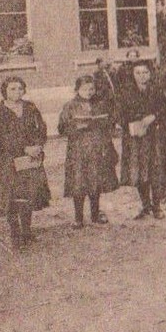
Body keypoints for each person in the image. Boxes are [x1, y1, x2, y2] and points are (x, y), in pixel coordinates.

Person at [0, 76, 47, 248]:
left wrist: (38, 145)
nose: (17, 92)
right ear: (4, 90)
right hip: (8, 159)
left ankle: (27, 231)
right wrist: (23, 148)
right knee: (12, 197)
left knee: (27, 194)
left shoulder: (30, 107)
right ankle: (15, 234)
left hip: (30, 159)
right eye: (12, 89)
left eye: (20, 88)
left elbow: (41, 128)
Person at [58, 73, 116, 227]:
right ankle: (78, 217)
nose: (89, 92)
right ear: (77, 89)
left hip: (97, 148)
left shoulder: (100, 104)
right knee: (78, 182)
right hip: (78, 150)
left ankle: (95, 214)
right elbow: (62, 128)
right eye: (85, 89)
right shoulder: (70, 106)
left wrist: (104, 123)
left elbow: (111, 122)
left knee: (95, 181)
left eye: (91, 89)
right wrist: (77, 126)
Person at [118, 60, 166, 219]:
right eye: (138, 73)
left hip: (153, 136)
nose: (142, 76)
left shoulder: (157, 90)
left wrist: (153, 117)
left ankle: (157, 206)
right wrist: (130, 124)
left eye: (145, 72)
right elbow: (119, 114)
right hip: (135, 137)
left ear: (150, 73)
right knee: (139, 171)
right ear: (132, 75)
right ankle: (146, 205)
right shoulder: (125, 92)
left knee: (154, 170)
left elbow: (165, 109)